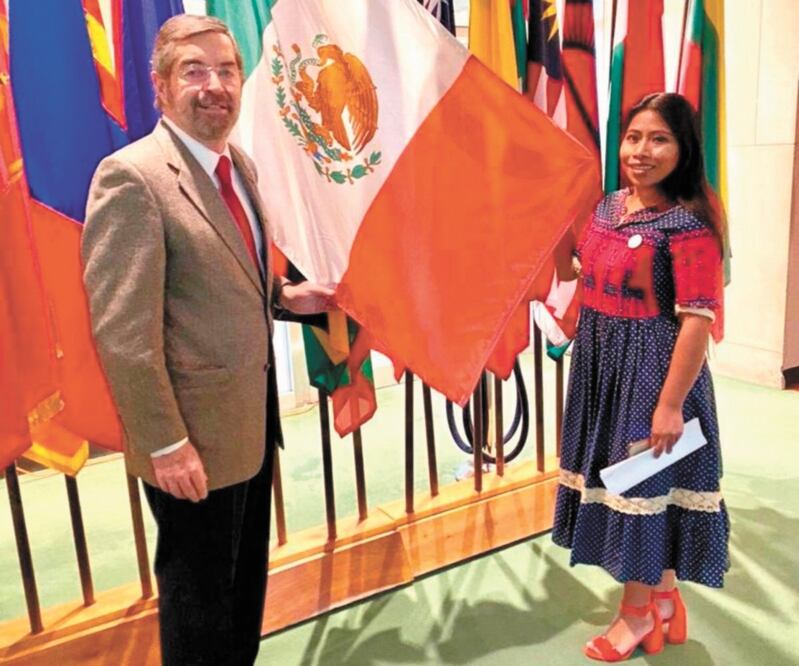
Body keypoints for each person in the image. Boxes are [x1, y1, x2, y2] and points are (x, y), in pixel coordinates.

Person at [81, 15, 334, 666]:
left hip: (248, 426)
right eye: (194, 71)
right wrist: (165, 443)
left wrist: (287, 299)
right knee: (198, 604)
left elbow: (220, 279)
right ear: (161, 85)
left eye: (226, 71)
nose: (214, 85)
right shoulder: (131, 178)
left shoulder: (238, 165)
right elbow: (123, 333)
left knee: (240, 590)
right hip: (188, 442)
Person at [552, 92, 729, 662]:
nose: (642, 151)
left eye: (660, 139)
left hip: (656, 375)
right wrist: (548, 221)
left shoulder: (689, 226)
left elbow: (698, 320)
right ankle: (667, 600)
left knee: (640, 489)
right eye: (634, 137)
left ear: (683, 149)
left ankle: (635, 615)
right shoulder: (607, 207)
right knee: (645, 489)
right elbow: (573, 271)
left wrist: (670, 404)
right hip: (603, 370)